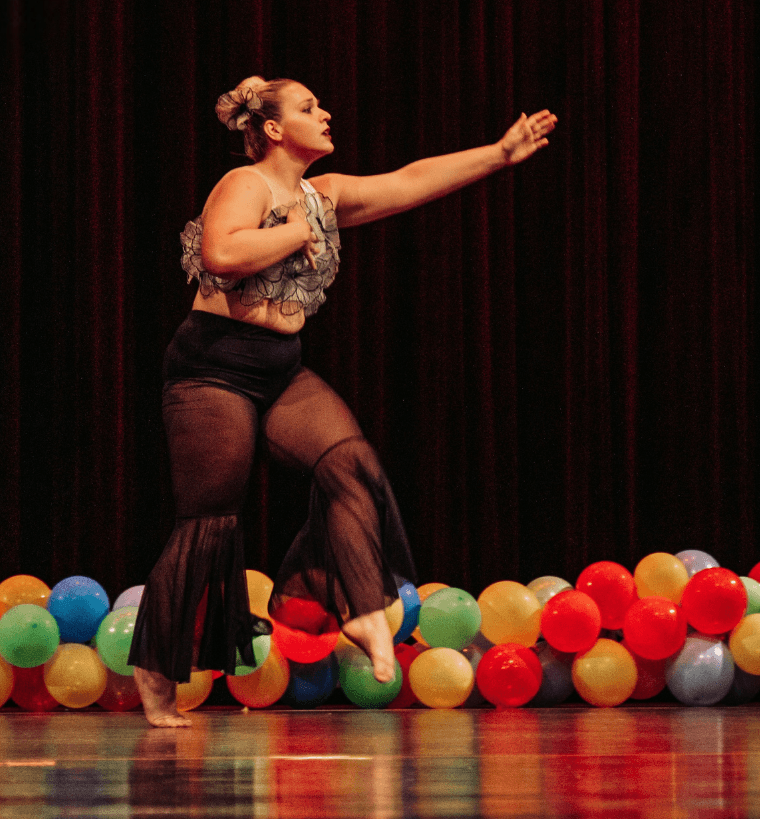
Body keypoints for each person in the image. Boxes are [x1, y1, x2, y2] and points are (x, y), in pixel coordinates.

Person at [129, 75, 557, 725]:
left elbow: (409, 181)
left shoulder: (322, 194)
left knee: (350, 464)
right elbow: (218, 252)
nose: (325, 113)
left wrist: (497, 153)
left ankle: (354, 607)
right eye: (308, 107)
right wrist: (296, 231)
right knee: (210, 518)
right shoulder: (246, 184)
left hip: (280, 368)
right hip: (212, 366)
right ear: (272, 129)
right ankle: (156, 666)